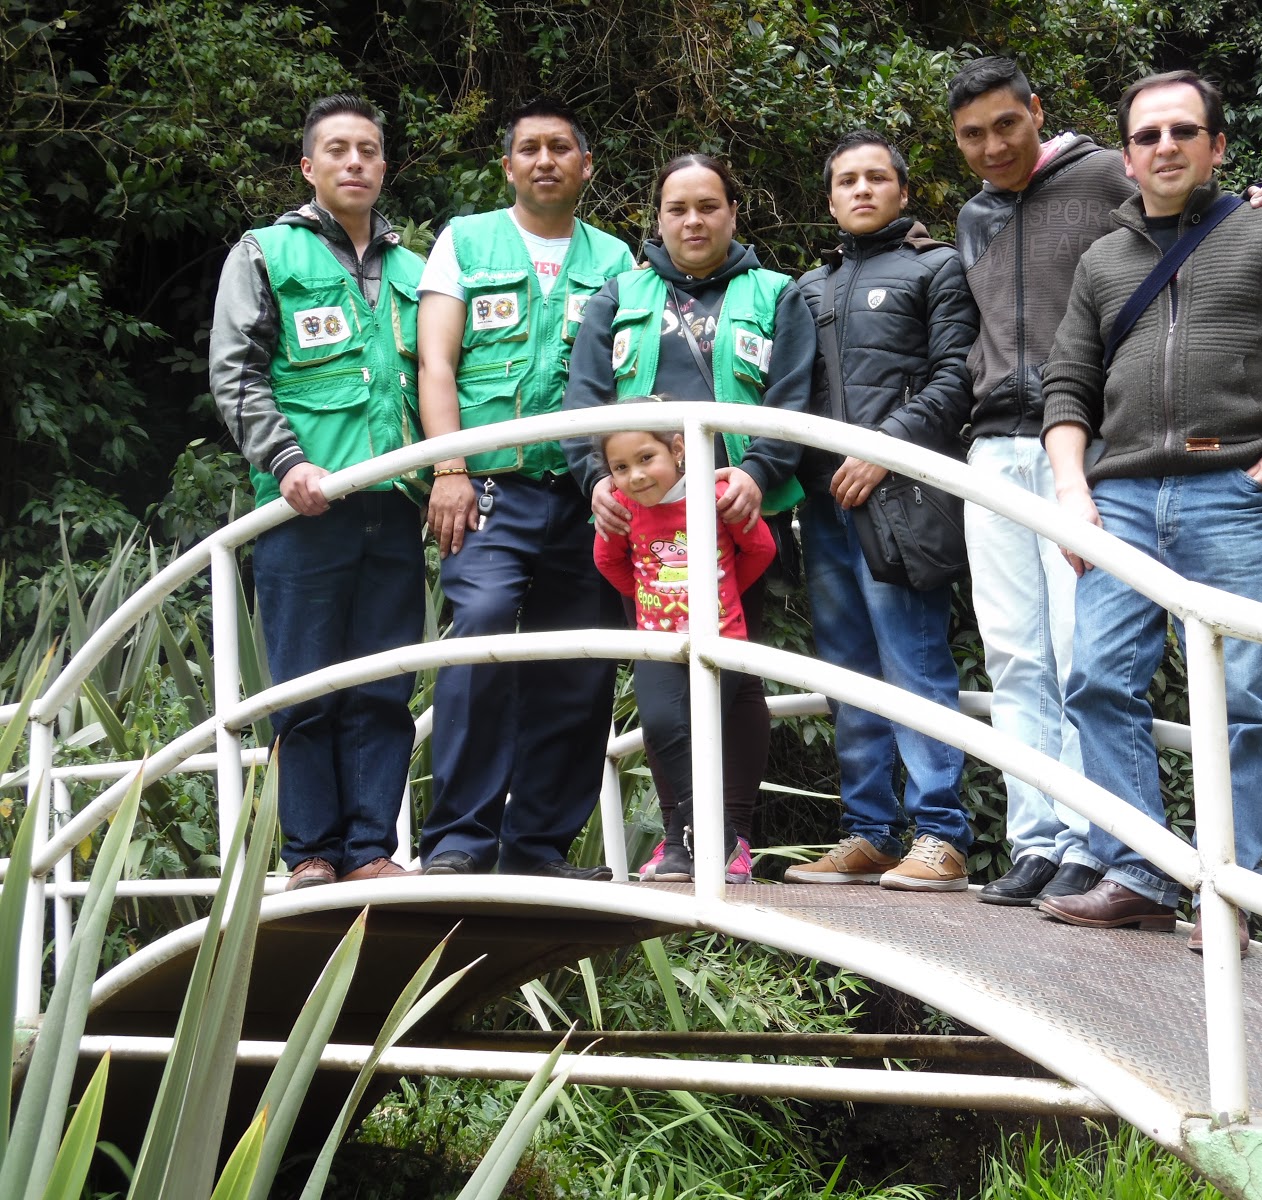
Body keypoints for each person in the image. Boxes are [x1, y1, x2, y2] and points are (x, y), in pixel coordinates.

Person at [1039, 70, 1262, 951]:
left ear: (1217, 146)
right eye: (1147, 135)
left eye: (1183, 131)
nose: (1165, 146)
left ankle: (1230, 892)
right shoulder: (1102, 261)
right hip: (1118, 498)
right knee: (1096, 681)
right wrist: (1072, 491)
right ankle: (1137, 873)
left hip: (1233, 491)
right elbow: (1067, 386)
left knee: (1240, 698)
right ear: (1126, 157)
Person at [947, 56, 1262, 907]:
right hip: (995, 442)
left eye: (1006, 123)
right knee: (1014, 654)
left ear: (1037, 110)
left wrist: (1261, 210)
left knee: (1083, 650)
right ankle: (1035, 838)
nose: (993, 146)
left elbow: (1190, 215)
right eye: (972, 135)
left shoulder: (1108, 172)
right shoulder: (972, 216)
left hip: (1091, 444)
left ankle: (1090, 840)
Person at [562, 153, 817, 874]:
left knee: (735, 678)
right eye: (677, 209)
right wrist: (595, 482)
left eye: (708, 206)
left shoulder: (777, 294)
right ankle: (683, 837)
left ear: (733, 212)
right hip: (641, 522)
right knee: (663, 679)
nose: (693, 221)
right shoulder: (619, 295)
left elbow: (792, 396)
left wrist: (758, 475)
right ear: (658, 219)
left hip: (738, 515)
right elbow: (584, 400)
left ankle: (730, 839)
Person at [415, 97, 634, 879]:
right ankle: (458, 842)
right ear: (507, 165)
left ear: (586, 166)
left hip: (586, 495)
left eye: (560, 148)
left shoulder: (616, 260)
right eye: (529, 148)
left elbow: (629, 376)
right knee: (478, 632)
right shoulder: (464, 241)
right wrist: (449, 469)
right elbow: (435, 362)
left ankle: (538, 847)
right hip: (490, 490)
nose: (545, 160)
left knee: (580, 662)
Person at [210, 94, 425, 889]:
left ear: (384, 165)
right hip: (303, 508)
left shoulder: (417, 271)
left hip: (395, 509)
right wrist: (286, 461)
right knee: (303, 686)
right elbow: (236, 371)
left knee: (385, 685)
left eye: (368, 150)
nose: (355, 162)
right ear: (309, 166)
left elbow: (445, 377)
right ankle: (310, 853)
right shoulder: (266, 253)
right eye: (338, 150)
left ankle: (370, 849)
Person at [785, 130, 977, 891]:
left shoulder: (937, 267)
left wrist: (884, 448)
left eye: (876, 178)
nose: (861, 190)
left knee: (913, 659)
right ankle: (868, 831)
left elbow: (957, 376)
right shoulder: (808, 286)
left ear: (902, 190)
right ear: (830, 198)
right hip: (823, 501)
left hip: (902, 497)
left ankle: (941, 836)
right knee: (848, 668)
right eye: (846, 181)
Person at [592, 408, 777, 880]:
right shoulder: (623, 508)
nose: (635, 475)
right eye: (620, 467)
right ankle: (718, 837)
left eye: (646, 458)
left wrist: (721, 590)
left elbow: (761, 549)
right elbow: (608, 560)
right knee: (661, 726)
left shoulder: (713, 496)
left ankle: (680, 844)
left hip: (721, 637)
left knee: (702, 729)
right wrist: (646, 594)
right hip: (657, 642)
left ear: (677, 449)